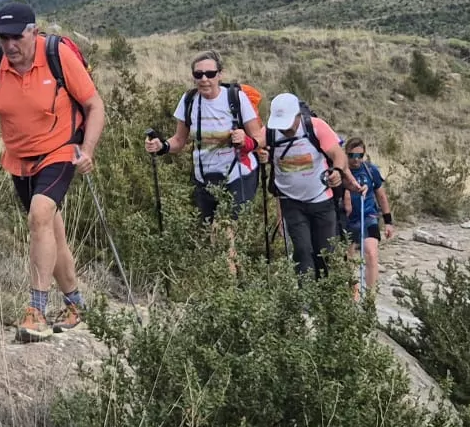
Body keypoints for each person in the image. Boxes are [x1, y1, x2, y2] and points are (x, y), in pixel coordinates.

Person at [0, 3, 106, 342]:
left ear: (32, 32)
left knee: (39, 215)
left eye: (16, 36)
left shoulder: (57, 56)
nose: (9, 45)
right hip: (19, 159)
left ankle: (36, 310)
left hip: (60, 150)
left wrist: (89, 150)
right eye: (3, 37)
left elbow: (95, 105)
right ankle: (77, 305)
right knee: (51, 230)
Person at [144, 53, 265, 225]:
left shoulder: (236, 98)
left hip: (238, 176)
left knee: (226, 229)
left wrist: (245, 140)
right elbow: (179, 141)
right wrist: (161, 146)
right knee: (210, 235)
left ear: (220, 75)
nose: (204, 79)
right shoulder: (189, 101)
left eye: (210, 74)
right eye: (198, 74)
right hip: (204, 179)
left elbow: (259, 138)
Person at [263, 92, 361, 278]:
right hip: (290, 202)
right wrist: (258, 152)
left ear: (298, 116)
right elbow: (253, 144)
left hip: (321, 200)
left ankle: (324, 299)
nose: (283, 129)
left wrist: (338, 172)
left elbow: (338, 155)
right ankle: (305, 302)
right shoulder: (269, 131)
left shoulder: (316, 127)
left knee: (325, 253)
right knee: (302, 251)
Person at [341, 135, 393, 300]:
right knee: (349, 258)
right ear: (345, 154)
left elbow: (381, 196)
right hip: (347, 219)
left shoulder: (371, 171)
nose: (356, 160)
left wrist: (388, 222)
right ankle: (354, 294)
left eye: (360, 156)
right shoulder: (340, 171)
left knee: (371, 252)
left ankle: (370, 296)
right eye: (351, 156)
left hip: (368, 216)